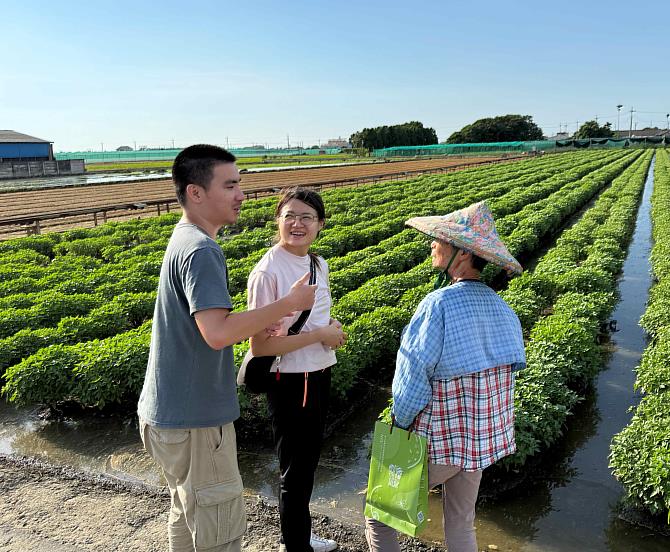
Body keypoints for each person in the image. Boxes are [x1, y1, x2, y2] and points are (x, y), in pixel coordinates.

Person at [138, 144, 318, 552]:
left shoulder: (184, 238)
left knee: (186, 516)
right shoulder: (202, 250)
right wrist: (288, 304)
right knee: (219, 534)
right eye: (231, 185)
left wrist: (258, 317)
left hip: (166, 414)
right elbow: (217, 333)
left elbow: (211, 326)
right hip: (196, 421)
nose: (241, 194)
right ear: (196, 192)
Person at [364, 201, 526, 552]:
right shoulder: (503, 307)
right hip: (479, 440)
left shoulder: (437, 305)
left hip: (439, 441)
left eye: (441, 239)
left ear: (463, 255)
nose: (432, 244)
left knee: (380, 513)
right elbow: (510, 371)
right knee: (461, 521)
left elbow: (412, 378)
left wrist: (399, 425)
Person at [237, 187, 346, 552]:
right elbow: (261, 346)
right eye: (290, 217)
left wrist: (330, 334)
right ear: (278, 221)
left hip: (318, 371)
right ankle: (296, 545)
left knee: (308, 462)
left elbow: (318, 317)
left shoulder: (318, 263)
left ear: (320, 225)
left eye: (307, 218)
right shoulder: (267, 273)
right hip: (290, 379)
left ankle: (298, 533)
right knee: (295, 471)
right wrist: (319, 334)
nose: (297, 224)